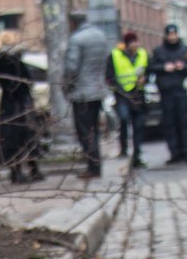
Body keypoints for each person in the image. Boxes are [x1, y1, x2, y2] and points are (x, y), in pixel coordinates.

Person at [0, 31, 45, 184]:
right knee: (28, 136)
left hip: (8, 104)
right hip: (22, 103)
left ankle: (16, 171)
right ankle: (33, 170)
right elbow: (28, 80)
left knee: (11, 138)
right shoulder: (16, 60)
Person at [64, 19, 109, 179]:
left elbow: (71, 67)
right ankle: (95, 165)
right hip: (98, 89)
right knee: (94, 130)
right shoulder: (101, 36)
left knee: (84, 131)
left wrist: (66, 86)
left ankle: (93, 166)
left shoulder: (77, 39)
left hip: (82, 92)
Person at [150, 24, 187, 163]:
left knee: (185, 122)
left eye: (174, 34)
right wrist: (164, 68)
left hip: (181, 90)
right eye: (170, 35)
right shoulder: (159, 51)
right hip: (166, 92)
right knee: (170, 123)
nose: (172, 37)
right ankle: (174, 153)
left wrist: (183, 66)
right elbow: (152, 67)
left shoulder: (185, 50)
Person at [106, 30, 149, 170]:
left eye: (136, 42)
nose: (135, 45)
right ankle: (124, 148)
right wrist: (117, 88)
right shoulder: (115, 55)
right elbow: (109, 76)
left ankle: (137, 154)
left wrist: (145, 79)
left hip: (138, 94)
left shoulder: (142, 54)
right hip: (122, 95)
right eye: (132, 42)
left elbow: (149, 70)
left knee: (138, 125)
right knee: (124, 120)